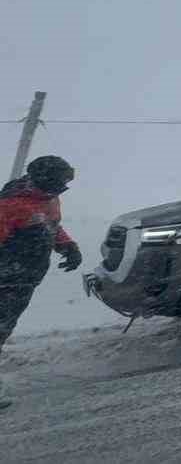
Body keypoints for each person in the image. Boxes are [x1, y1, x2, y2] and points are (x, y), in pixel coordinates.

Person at [1, 156, 81, 410]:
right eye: (61, 181)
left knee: (2, 330)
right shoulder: (10, 206)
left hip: (26, 280)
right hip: (5, 280)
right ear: (44, 179)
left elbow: (50, 226)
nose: (64, 187)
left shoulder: (49, 198)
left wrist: (67, 246)